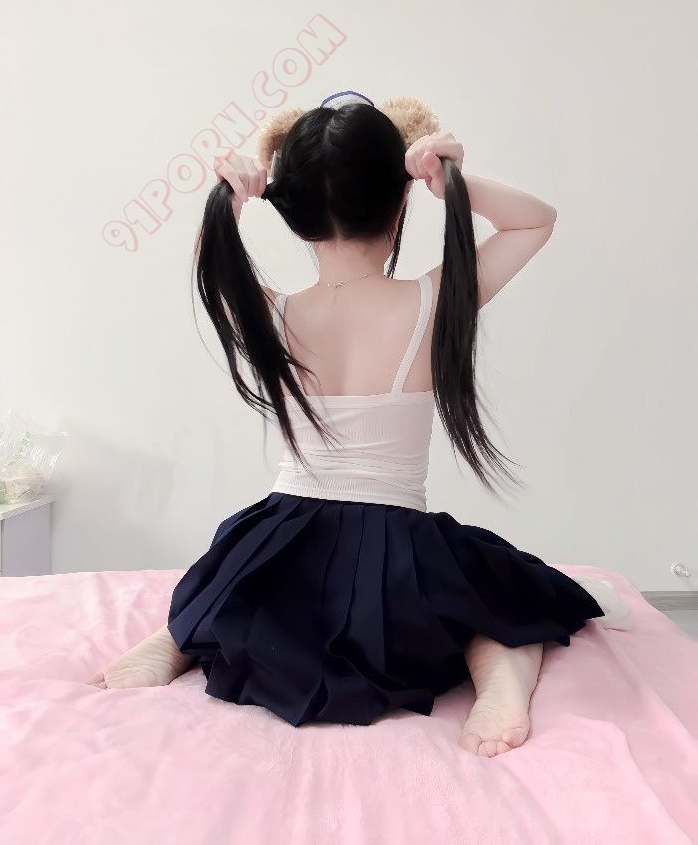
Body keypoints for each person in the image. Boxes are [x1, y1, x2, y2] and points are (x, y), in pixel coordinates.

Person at [87, 91, 607, 758]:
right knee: (501, 599)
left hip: (278, 541)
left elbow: (211, 260)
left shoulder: (269, 313)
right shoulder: (433, 301)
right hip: (395, 555)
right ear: (399, 200)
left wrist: (234, 198)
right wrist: (451, 181)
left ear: (293, 211)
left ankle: (180, 637)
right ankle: (501, 673)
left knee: (234, 589)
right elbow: (535, 223)